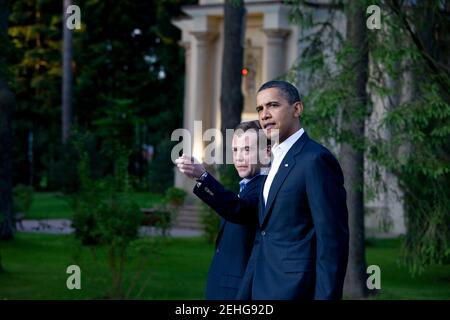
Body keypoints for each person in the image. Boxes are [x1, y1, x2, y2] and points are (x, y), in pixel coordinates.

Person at [216, 80, 349, 300]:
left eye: (273, 105)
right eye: (260, 108)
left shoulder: (315, 159)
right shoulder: (274, 161)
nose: (264, 114)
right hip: (261, 288)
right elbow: (264, 235)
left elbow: (332, 242)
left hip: (296, 290)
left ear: (297, 109)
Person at [175, 120, 270, 300]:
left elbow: (238, 209)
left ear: (266, 153)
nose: (239, 157)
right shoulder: (247, 187)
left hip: (237, 294)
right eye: (235, 150)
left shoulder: (266, 188)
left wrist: (203, 176)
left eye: (247, 150)